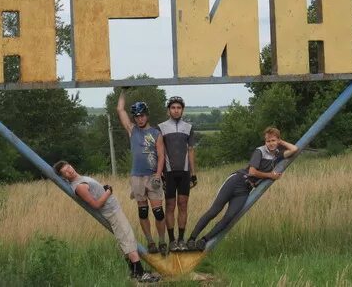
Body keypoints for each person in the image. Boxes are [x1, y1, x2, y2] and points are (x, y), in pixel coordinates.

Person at [186, 127, 298, 251]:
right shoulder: (259, 151)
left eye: (273, 140)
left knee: (229, 217)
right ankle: (191, 239)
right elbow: (252, 171)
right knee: (214, 211)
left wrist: (281, 142)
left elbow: (295, 149)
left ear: (278, 141)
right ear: (264, 142)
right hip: (236, 181)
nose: (271, 143)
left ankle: (204, 240)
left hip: (245, 190)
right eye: (268, 141)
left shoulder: (278, 154)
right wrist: (270, 175)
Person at [53, 161, 160, 283]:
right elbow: (96, 204)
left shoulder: (81, 178)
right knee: (127, 239)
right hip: (111, 212)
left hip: (113, 209)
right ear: (63, 177)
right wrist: (108, 191)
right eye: (65, 171)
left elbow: (95, 194)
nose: (69, 170)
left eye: (68, 166)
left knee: (124, 239)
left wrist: (103, 190)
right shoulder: (79, 186)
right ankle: (140, 274)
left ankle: (135, 272)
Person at [116, 89, 167, 255]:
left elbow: (161, 156)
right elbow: (120, 110)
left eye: (142, 115)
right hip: (136, 177)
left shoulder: (156, 133)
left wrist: (158, 175)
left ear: (147, 115)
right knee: (143, 211)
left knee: (158, 213)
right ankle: (150, 242)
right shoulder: (132, 130)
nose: (140, 119)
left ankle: (162, 241)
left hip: (152, 176)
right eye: (137, 116)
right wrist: (123, 91)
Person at [157, 96, 197, 252]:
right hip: (169, 173)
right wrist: (160, 173)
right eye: (173, 108)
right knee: (170, 206)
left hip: (185, 172)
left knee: (183, 205)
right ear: (168, 110)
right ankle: (172, 240)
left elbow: (191, 150)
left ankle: (181, 239)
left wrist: (193, 173)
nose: (176, 110)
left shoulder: (189, 127)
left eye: (178, 108)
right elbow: (159, 152)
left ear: (182, 110)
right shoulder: (161, 127)